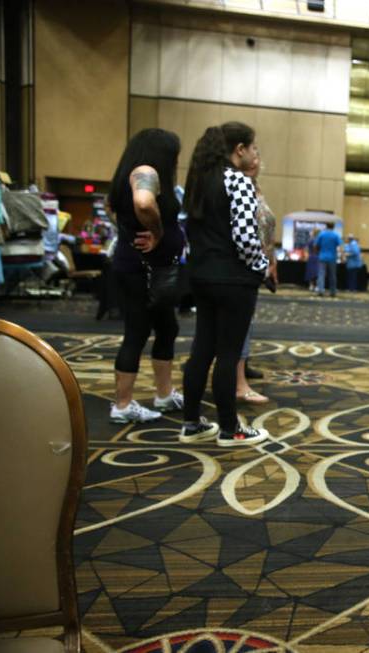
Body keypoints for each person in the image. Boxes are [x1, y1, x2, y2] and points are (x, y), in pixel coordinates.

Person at [177, 121, 270, 447]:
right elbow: (246, 238)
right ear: (240, 149)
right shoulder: (238, 181)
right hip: (233, 279)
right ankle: (231, 429)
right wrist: (261, 267)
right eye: (253, 147)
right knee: (228, 354)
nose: (255, 154)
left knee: (201, 349)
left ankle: (192, 423)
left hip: (201, 275)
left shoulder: (198, 181)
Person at [107, 128, 185, 423]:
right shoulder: (145, 171)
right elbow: (143, 203)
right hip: (142, 269)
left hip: (144, 266)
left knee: (167, 328)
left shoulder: (126, 173)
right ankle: (123, 404)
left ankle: (164, 394)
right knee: (137, 332)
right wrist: (157, 232)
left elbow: (111, 207)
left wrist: (128, 232)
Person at [236, 156, 278, 405]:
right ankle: (237, 380)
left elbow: (266, 228)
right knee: (239, 323)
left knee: (246, 321)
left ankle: (243, 365)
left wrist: (271, 261)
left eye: (258, 156)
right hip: (244, 264)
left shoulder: (256, 186)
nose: (255, 160)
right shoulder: (238, 185)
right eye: (250, 153)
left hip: (257, 263)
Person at [314, 224, 342, 297]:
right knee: (332, 275)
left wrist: (317, 253)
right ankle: (332, 292)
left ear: (326, 226)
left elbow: (316, 245)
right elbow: (340, 245)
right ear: (333, 227)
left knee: (321, 274)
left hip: (322, 256)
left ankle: (320, 290)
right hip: (332, 257)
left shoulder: (321, 234)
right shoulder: (336, 235)